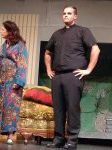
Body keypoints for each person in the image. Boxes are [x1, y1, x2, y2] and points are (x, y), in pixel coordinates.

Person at [44, 6, 100, 149]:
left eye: (69, 13)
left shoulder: (83, 31)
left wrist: (88, 70)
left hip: (73, 75)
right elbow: (47, 52)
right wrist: (49, 69)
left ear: (75, 16)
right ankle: (58, 139)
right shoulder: (56, 34)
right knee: (58, 108)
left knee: (72, 108)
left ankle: (72, 140)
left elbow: (95, 49)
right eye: (64, 13)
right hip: (58, 76)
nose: (66, 16)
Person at [0, 20, 28, 145]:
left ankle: (10, 136)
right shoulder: (3, 45)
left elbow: (22, 64)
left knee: (11, 108)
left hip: (13, 81)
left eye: (3, 29)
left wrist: (19, 81)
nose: (1, 31)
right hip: (1, 81)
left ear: (10, 31)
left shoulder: (20, 45)